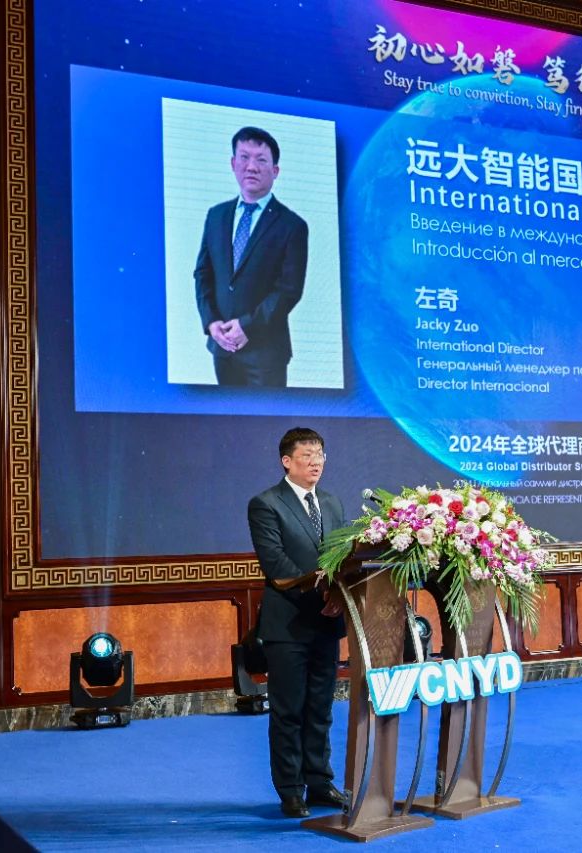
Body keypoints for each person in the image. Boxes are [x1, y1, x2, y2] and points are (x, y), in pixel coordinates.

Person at [247, 427, 347, 818]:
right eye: (307, 455)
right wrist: (322, 597)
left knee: (321, 709)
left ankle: (319, 782)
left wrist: (339, 595)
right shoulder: (266, 504)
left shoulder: (332, 503)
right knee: (288, 711)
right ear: (286, 461)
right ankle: (290, 789)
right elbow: (276, 565)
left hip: (327, 623)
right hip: (288, 625)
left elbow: (342, 560)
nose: (315, 462)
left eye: (320, 454)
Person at [195, 126, 308, 387]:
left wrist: (247, 326)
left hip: (266, 353)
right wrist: (211, 322)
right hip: (222, 349)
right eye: (244, 157)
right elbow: (203, 274)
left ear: (275, 171)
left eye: (261, 160)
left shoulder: (292, 225)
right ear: (233, 164)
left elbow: (289, 290)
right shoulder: (216, 216)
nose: (251, 167)